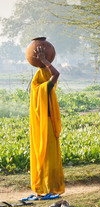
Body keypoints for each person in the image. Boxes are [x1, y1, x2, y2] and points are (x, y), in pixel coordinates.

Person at [29, 46, 65, 197]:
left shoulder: (40, 89)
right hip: (45, 127)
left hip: (46, 125)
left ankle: (49, 187)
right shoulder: (43, 88)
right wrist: (44, 60)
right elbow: (56, 74)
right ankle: (44, 187)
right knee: (45, 157)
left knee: (46, 157)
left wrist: (44, 61)